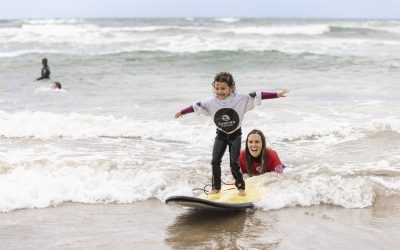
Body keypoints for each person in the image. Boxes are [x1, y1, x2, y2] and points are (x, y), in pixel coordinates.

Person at [175, 72, 288, 196]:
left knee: (234, 162)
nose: (219, 91)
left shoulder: (240, 99)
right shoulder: (211, 102)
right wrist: (182, 111)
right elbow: (196, 106)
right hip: (221, 135)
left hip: (235, 135)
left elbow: (258, 95)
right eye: (216, 88)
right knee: (215, 161)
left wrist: (276, 94)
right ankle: (216, 187)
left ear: (231, 87)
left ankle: (240, 187)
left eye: (223, 88)